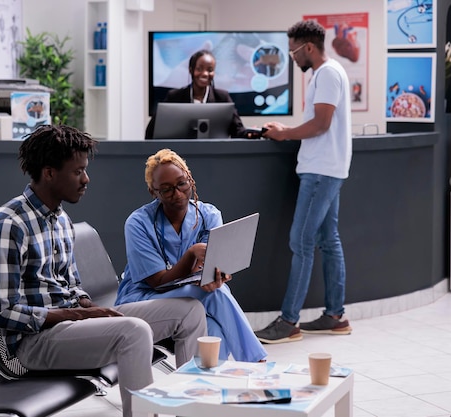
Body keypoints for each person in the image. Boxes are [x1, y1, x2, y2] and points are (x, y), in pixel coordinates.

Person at [0, 125, 207, 417]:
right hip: (37, 342)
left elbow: (72, 287)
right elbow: (2, 312)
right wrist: (81, 314)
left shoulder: (60, 219)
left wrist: (90, 308)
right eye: (78, 172)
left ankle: (191, 412)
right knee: (134, 331)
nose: (86, 179)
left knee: (189, 311)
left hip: (74, 327)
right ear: (49, 173)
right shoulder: (8, 225)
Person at [115, 148, 267, 363]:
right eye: (166, 189)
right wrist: (190, 256)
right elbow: (157, 282)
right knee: (216, 294)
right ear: (153, 192)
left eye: (181, 184)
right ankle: (257, 364)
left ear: (190, 180)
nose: (177, 193)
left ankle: (208, 387)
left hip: (189, 298)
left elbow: (207, 269)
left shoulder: (208, 215)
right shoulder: (138, 223)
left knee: (213, 328)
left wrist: (215, 276)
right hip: (142, 299)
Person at [254, 20, 353, 344]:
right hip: (329, 168)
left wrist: (284, 133)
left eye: (293, 51)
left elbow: (322, 124)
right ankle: (335, 316)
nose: (292, 57)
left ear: (308, 47)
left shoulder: (326, 73)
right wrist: (289, 128)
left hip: (321, 171)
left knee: (301, 242)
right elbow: (319, 121)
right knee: (328, 240)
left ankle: (288, 320)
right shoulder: (328, 73)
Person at [145, 49, 247, 139]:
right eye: (199, 69)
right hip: (180, 155)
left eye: (210, 70)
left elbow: (238, 130)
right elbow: (151, 131)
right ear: (191, 70)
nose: (205, 74)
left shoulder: (222, 97)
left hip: (213, 154)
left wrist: (251, 133)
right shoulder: (174, 96)